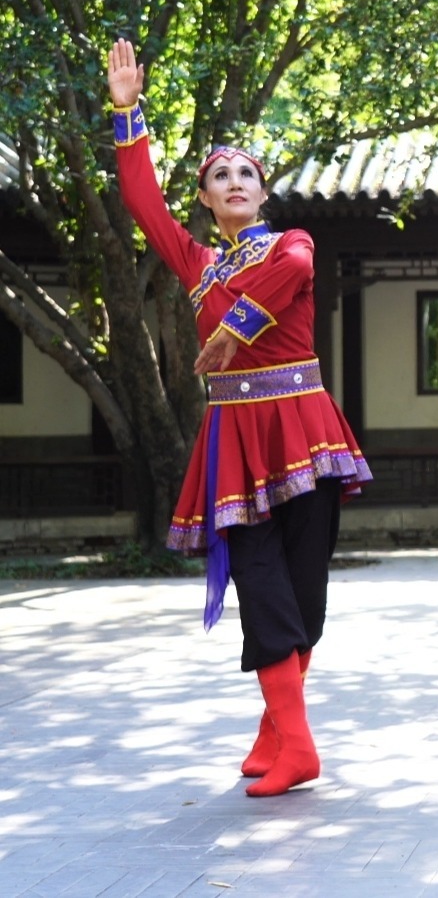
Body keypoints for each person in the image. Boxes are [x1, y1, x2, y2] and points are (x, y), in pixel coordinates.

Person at [107, 39, 371, 797]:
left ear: (262, 191)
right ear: (206, 197)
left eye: (246, 173)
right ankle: (298, 746)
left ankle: (276, 731)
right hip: (235, 439)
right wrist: (129, 114)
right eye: (219, 175)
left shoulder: (291, 241)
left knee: (303, 591)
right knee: (260, 581)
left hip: (304, 428)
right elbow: (139, 201)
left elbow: (295, 274)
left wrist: (232, 331)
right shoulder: (195, 263)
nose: (233, 181)